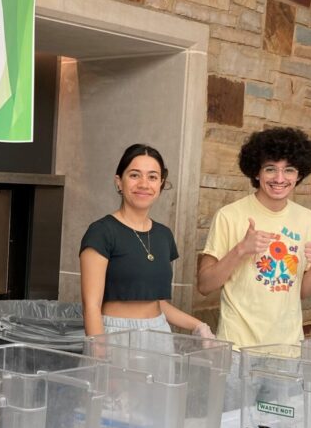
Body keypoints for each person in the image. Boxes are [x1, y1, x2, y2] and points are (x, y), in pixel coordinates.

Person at [196, 127, 311, 409]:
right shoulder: (230, 216)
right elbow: (205, 285)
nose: (280, 179)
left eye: (289, 170)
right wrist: (240, 250)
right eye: (271, 169)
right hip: (237, 350)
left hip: (286, 350)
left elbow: (302, 292)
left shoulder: (307, 221)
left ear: (299, 174)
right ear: (256, 172)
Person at [80, 143, 212, 338]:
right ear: (119, 182)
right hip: (115, 334)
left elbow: (157, 304)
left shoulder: (163, 235)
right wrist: (98, 354)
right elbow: (91, 305)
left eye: (152, 177)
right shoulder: (102, 232)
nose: (144, 184)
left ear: (160, 184)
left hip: (159, 332)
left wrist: (199, 326)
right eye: (134, 175)